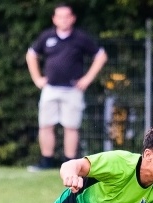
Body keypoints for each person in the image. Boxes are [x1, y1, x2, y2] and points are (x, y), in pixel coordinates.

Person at [26, 4, 108, 171]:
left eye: (66, 16)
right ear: (54, 19)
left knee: (71, 127)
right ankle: (46, 160)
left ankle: (69, 162)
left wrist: (87, 79)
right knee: (45, 125)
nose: (63, 20)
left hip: (72, 90)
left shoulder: (80, 38)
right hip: (50, 89)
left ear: (72, 18)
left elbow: (101, 56)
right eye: (59, 17)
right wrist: (37, 78)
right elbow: (31, 54)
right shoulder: (47, 36)